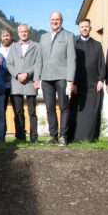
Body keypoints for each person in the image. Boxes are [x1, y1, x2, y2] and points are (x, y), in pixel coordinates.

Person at [34, 11, 76, 146]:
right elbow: (39, 59)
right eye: (52, 19)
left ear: (61, 20)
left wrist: (70, 79)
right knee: (49, 107)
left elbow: (72, 59)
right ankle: (53, 135)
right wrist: (36, 78)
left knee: (64, 107)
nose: (54, 22)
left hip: (62, 77)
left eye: (57, 19)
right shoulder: (43, 37)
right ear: (49, 21)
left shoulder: (69, 36)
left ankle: (63, 135)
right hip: (46, 78)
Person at [70, 19, 106, 142]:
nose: (84, 28)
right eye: (82, 26)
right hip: (78, 85)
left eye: (87, 26)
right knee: (78, 113)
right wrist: (72, 82)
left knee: (92, 113)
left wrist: (101, 80)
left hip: (94, 85)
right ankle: (76, 138)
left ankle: (91, 138)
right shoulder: (74, 44)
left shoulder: (97, 45)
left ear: (90, 28)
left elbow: (102, 64)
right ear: (79, 28)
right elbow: (70, 64)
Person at [7, 23, 40, 142]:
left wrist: (27, 74)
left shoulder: (37, 46)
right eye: (21, 32)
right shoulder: (13, 47)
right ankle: (20, 136)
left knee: (32, 111)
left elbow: (38, 63)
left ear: (29, 32)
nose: (23, 33)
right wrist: (17, 74)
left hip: (30, 82)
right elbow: (9, 64)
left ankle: (34, 136)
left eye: (25, 31)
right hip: (16, 83)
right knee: (18, 111)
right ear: (18, 33)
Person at [0, 28, 14, 133]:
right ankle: (1, 135)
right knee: (1, 110)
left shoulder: (17, 47)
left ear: (11, 37)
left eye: (7, 35)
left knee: (18, 110)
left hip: (15, 84)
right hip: (1, 85)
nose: (5, 37)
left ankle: (20, 135)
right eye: (3, 36)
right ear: (1, 37)